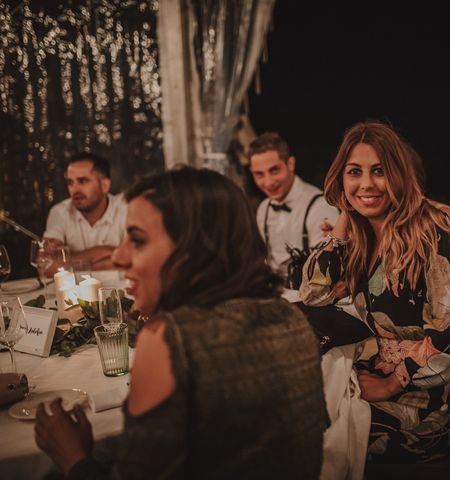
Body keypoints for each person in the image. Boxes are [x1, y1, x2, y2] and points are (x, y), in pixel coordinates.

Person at [34, 166, 327, 479]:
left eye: (137, 240)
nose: (118, 258)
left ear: (194, 249)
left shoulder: (170, 337)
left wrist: (74, 458)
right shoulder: (291, 318)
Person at [300, 121, 450, 464]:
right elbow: (314, 294)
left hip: (430, 400)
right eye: (354, 172)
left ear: (399, 175)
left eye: (379, 171)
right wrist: (340, 227)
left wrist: (391, 384)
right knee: (298, 408)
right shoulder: (364, 236)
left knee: (310, 433)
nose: (366, 184)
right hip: (379, 369)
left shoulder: (429, 231)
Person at [249, 132, 339, 279]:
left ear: (290, 164)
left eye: (274, 170)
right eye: (259, 174)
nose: (269, 182)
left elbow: (326, 269)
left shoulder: (320, 206)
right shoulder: (263, 208)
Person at [43, 152, 127, 270]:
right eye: (70, 183)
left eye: (82, 181)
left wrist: (69, 261)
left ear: (105, 185)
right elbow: (47, 266)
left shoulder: (125, 208)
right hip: (76, 289)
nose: (74, 189)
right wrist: (104, 251)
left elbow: (135, 259)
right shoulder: (60, 212)